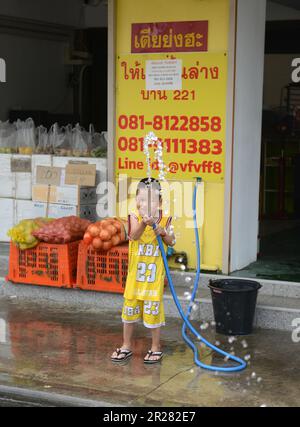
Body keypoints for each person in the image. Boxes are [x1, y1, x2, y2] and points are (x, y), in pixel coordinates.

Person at [111, 177, 175, 364]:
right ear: (136, 200)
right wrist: (144, 223)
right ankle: (126, 345)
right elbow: (133, 235)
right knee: (129, 311)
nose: (146, 204)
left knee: (153, 311)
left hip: (154, 277)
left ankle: (155, 347)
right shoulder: (134, 217)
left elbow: (172, 241)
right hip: (135, 277)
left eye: (151, 200)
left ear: (160, 202)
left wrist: (162, 232)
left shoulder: (165, 219)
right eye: (141, 199)